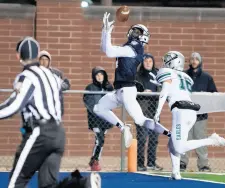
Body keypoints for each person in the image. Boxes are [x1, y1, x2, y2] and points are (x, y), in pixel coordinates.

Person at [5, 37, 100, 188]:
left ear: (18, 56)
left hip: (39, 133)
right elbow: (60, 106)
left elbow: (13, 106)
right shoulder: (52, 76)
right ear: (37, 55)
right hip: (58, 132)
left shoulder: (26, 77)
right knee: (48, 185)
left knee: (16, 182)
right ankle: (82, 184)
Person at [94, 12, 171, 149]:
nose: (134, 33)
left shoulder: (134, 48)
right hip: (119, 91)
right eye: (134, 30)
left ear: (143, 36)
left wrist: (107, 32)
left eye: (138, 31)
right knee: (99, 108)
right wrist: (104, 31)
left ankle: (170, 134)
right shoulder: (129, 47)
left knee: (141, 120)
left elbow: (109, 52)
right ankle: (123, 128)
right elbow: (104, 48)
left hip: (127, 90)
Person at [153, 51, 225, 180]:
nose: (165, 62)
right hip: (191, 111)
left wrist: (157, 112)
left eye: (168, 59)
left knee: (179, 146)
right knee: (173, 143)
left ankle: (212, 140)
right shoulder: (185, 76)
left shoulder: (168, 73)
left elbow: (165, 91)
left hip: (181, 111)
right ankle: (176, 172)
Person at [180, 52, 217, 172]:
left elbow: (213, 94)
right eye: (192, 59)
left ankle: (203, 164)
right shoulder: (183, 75)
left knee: (200, 139)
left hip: (200, 115)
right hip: (185, 114)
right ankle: (182, 162)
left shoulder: (207, 77)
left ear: (200, 61)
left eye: (196, 59)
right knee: (185, 138)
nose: (194, 61)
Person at [135, 53, 163, 171]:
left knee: (154, 138)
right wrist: (142, 91)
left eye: (150, 61)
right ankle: (140, 163)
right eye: (146, 61)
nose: (148, 63)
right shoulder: (137, 75)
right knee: (141, 138)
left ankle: (151, 162)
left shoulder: (157, 74)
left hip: (154, 110)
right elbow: (132, 89)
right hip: (142, 110)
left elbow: (163, 88)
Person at [83, 66, 114, 171]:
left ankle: (95, 160)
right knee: (99, 139)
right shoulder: (90, 88)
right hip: (95, 119)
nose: (100, 77)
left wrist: (111, 90)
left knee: (101, 140)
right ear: (94, 76)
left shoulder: (108, 87)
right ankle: (94, 161)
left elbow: (113, 102)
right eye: (97, 75)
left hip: (105, 119)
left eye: (101, 74)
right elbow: (88, 103)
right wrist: (98, 111)